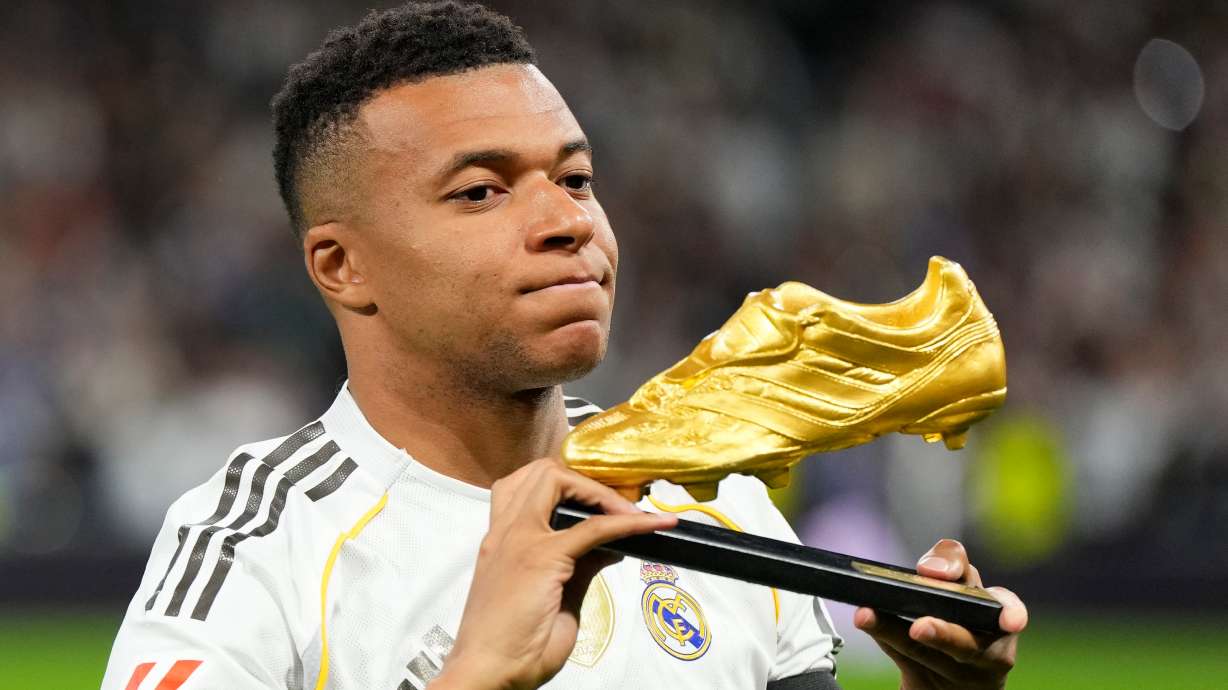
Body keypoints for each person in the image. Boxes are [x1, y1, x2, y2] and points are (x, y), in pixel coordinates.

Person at [101, 3, 1027, 689]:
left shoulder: (720, 505)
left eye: (576, 178)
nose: (566, 222)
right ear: (343, 266)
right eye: (480, 192)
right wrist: (479, 675)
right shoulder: (256, 545)